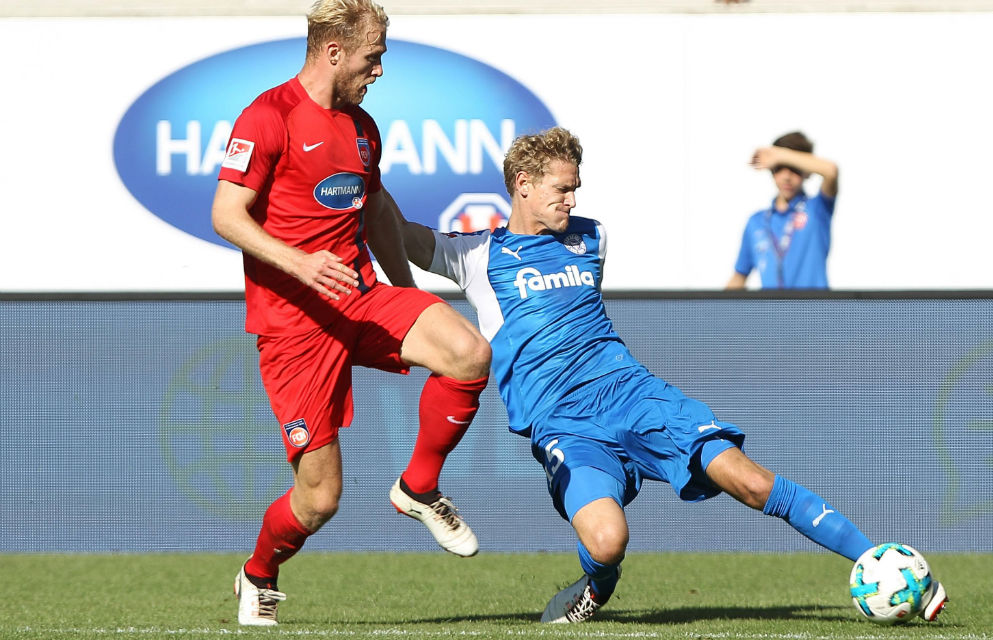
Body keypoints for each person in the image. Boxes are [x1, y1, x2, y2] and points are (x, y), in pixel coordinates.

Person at [398, 127, 947, 623]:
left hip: (635, 396)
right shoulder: (476, 255)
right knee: (608, 541)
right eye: (562, 189)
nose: (572, 199)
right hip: (564, 424)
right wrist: (361, 181)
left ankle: (886, 564)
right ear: (522, 184)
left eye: (576, 188)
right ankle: (597, 586)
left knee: (752, 482)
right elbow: (399, 235)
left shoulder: (592, 237)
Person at [210, 0, 491, 626]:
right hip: (294, 324)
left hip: (361, 299)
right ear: (334, 51)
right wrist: (298, 262)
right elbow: (226, 214)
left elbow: (376, 210)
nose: (380, 69)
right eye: (374, 56)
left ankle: (418, 488)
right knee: (319, 499)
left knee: (467, 351)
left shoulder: (363, 127)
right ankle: (259, 574)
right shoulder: (267, 116)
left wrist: (405, 291)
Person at [726, 131, 838, 290]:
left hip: (816, 311)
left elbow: (831, 171)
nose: (786, 176)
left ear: (807, 171)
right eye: (779, 168)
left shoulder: (817, 209)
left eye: (795, 168)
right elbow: (739, 277)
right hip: (774, 314)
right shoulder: (756, 222)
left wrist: (779, 155)